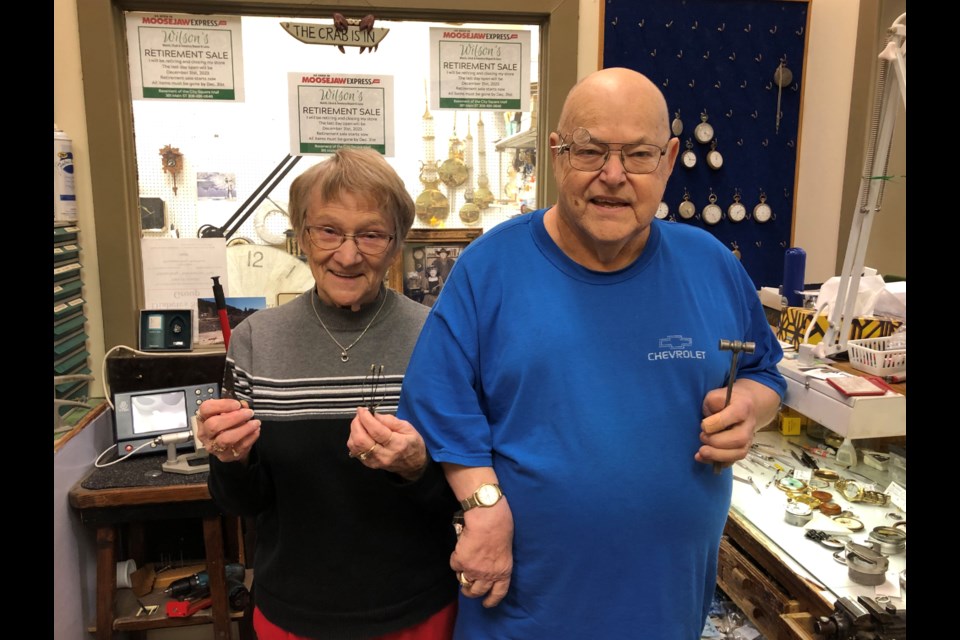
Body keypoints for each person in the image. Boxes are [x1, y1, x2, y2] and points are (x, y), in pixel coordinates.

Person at [396, 68, 786, 639]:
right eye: (590, 150)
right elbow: (438, 403)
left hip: (666, 609)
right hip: (526, 611)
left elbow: (765, 372)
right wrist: (482, 503)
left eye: (638, 154)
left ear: (670, 159)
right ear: (557, 153)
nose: (612, 175)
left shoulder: (712, 264)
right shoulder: (490, 268)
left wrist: (751, 406)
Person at [196, 147, 459, 639]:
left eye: (372, 234)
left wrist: (417, 467)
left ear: (397, 243)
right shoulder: (258, 339)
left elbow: (461, 493)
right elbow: (240, 502)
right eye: (329, 230)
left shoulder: (438, 337)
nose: (348, 253)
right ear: (301, 237)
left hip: (415, 612)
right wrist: (228, 457)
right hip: (291, 614)